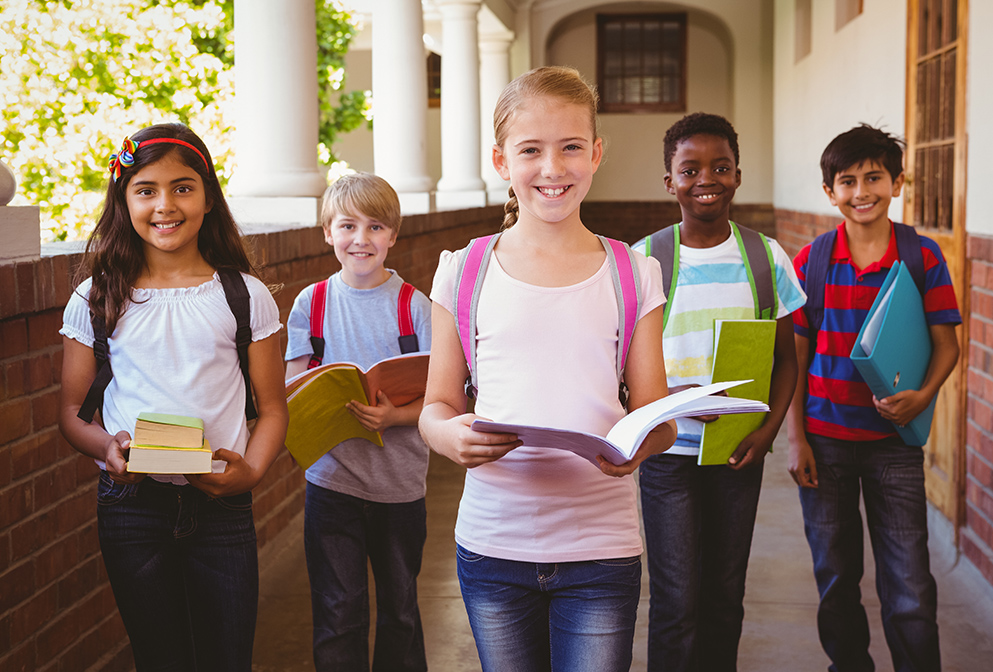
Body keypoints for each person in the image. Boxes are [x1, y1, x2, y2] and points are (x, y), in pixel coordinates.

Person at [418, 65, 674, 672]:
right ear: (502, 161)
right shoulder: (462, 270)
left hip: (601, 547)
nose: (552, 168)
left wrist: (643, 443)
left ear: (597, 153)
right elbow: (436, 406)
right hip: (491, 543)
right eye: (531, 150)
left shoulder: (633, 273)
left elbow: (655, 416)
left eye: (571, 148)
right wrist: (449, 437)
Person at [58, 122, 289, 671]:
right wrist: (105, 449)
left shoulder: (242, 295)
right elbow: (70, 414)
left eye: (183, 187)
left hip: (220, 503)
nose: (166, 204)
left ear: (208, 196)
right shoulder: (96, 297)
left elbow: (274, 408)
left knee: (226, 657)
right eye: (146, 190)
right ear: (124, 198)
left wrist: (251, 472)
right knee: (159, 658)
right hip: (132, 507)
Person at [632, 112, 806, 672]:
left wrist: (768, 431)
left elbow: (786, 359)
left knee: (725, 598)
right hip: (667, 453)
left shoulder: (765, 258)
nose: (706, 177)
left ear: (737, 176)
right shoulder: (643, 262)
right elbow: (619, 366)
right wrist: (669, 398)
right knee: (676, 602)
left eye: (720, 166)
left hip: (738, 451)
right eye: (690, 168)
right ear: (669, 181)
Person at [786, 124, 961, 672]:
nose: (861, 191)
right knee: (836, 578)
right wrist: (797, 440)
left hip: (894, 447)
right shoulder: (810, 263)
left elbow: (946, 344)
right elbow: (792, 358)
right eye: (847, 181)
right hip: (825, 444)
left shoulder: (921, 256)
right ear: (829, 192)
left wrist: (923, 395)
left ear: (897, 182)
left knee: (908, 580)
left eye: (874, 178)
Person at [285, 172, 431, 672]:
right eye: (348, 226)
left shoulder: (416, 308)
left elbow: (444, 398)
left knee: (401, 611)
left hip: (400, 487)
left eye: (375, 227)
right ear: (328, 232)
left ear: (393, 235)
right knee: (338, 612)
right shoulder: (312, 304)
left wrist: (396, 416)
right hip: (332, 484)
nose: (361, 240)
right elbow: (292, 389)